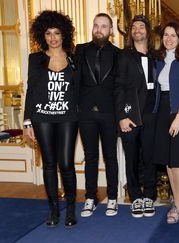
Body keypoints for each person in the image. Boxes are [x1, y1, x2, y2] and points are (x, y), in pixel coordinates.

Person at [24, 10, 78, 227]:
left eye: (57, 32)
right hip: (41, 116)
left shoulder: (74, 58)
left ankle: (71, 210)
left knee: (66, 163)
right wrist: (28, 121)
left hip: (68, 116)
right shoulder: (35, 59)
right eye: (48, 33)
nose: (53, 37)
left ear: (63, 34)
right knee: (49, 164)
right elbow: (31, 89)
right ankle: (54, 211)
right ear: (42, 35)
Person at [75, 13, 121, 218]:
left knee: (111, 157)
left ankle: (112, 198)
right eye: (96, 25)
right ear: (92, 27)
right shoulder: (80, 50)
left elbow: (121, 87)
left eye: (104, 26)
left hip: (110, 113)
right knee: (90, 157)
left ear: (110, 30)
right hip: (85, 113)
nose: (99, 29)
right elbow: (74, 80)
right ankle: (90, 198)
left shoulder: (119, 54)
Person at [152, 22, 179, 224]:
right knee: (169, 161)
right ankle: (177, 201)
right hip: (162, 112)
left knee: (177, 161)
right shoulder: (159, 60)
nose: (169, 39)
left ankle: (178, 205)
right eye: (166, 35)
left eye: (173, 35)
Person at [117, 15, 158, 218]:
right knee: (131, 159)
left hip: (152, 116)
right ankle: (135, 197)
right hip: (130, 116)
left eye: (141, 26)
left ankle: (149, 195)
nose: (137, 30)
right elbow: (119, 88)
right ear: (131, 32)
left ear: (147, 31)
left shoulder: (156, 57)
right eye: (134, 27)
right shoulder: (124, 56)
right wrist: (122, 117)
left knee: (150, 158)